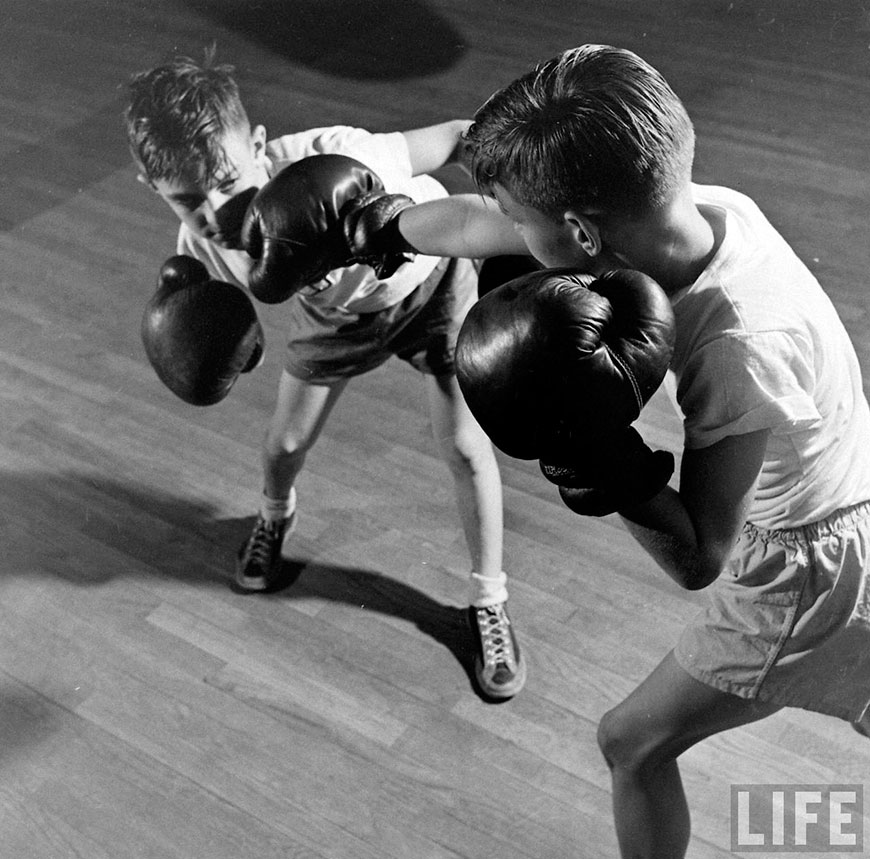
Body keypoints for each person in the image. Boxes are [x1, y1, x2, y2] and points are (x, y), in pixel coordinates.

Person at [253, 44, 870, 858]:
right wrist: (384, 227)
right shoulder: (686, 208)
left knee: (630, 742)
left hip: (806, 564)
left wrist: (594, 447)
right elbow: (483, 222)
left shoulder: (738, 342)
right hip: (843, 477)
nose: (504, 223)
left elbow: (699, 556)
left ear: (581, 232)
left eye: (524, 216)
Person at [123, 54, 527, 700]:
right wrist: (196, 337)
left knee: (464, 446)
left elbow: (454, 137)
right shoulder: (196, 245)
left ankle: (489, 600)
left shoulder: (336, 154)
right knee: (283, 444)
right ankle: (274, 516)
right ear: (153, 186)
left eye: (227, 179)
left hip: (435, 288)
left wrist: (526, 178)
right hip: (337, 317)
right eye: (189, 199)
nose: (217, 209)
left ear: (258, 147)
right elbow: (203, 302)